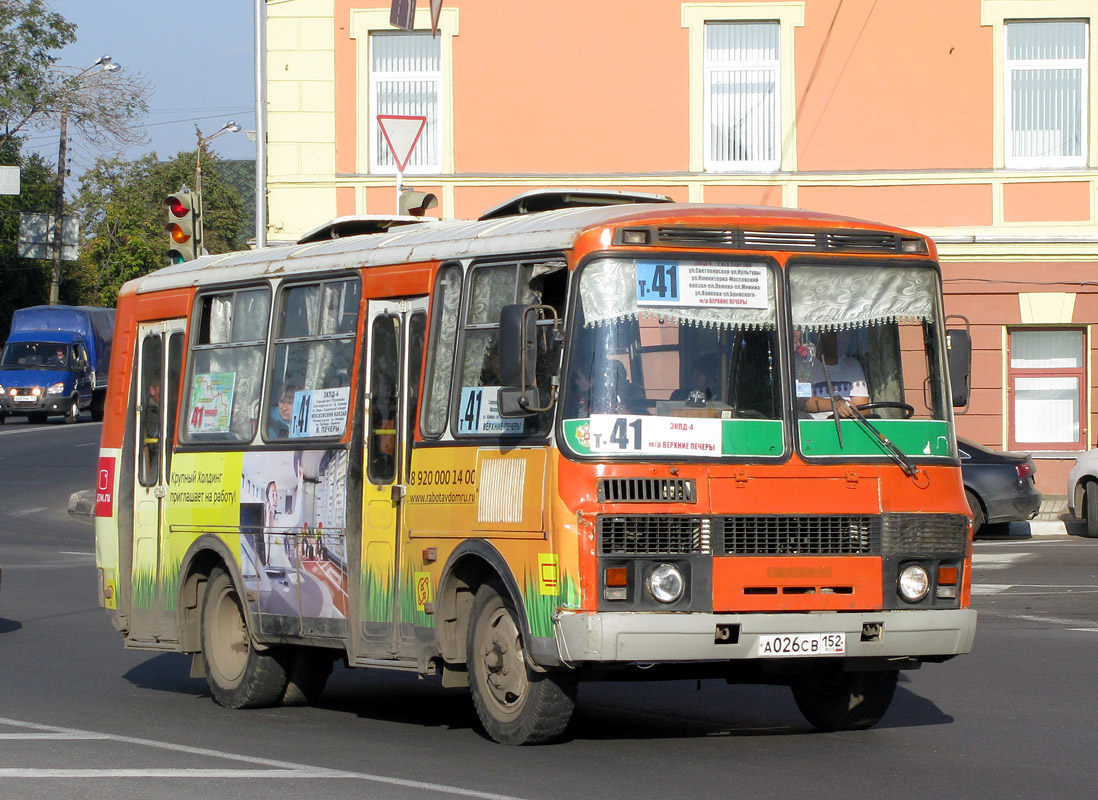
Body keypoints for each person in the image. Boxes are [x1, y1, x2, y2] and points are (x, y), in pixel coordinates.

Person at [802, 330, 869, 418]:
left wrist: (847, 412)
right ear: (820, 336)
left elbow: (863, 410)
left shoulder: (852, 366)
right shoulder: (804, 365)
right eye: (835, 334)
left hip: (847, 428)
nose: (841, 340)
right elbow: (802, 402)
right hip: (813, 429)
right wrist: (834, 405)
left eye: (845, 334)